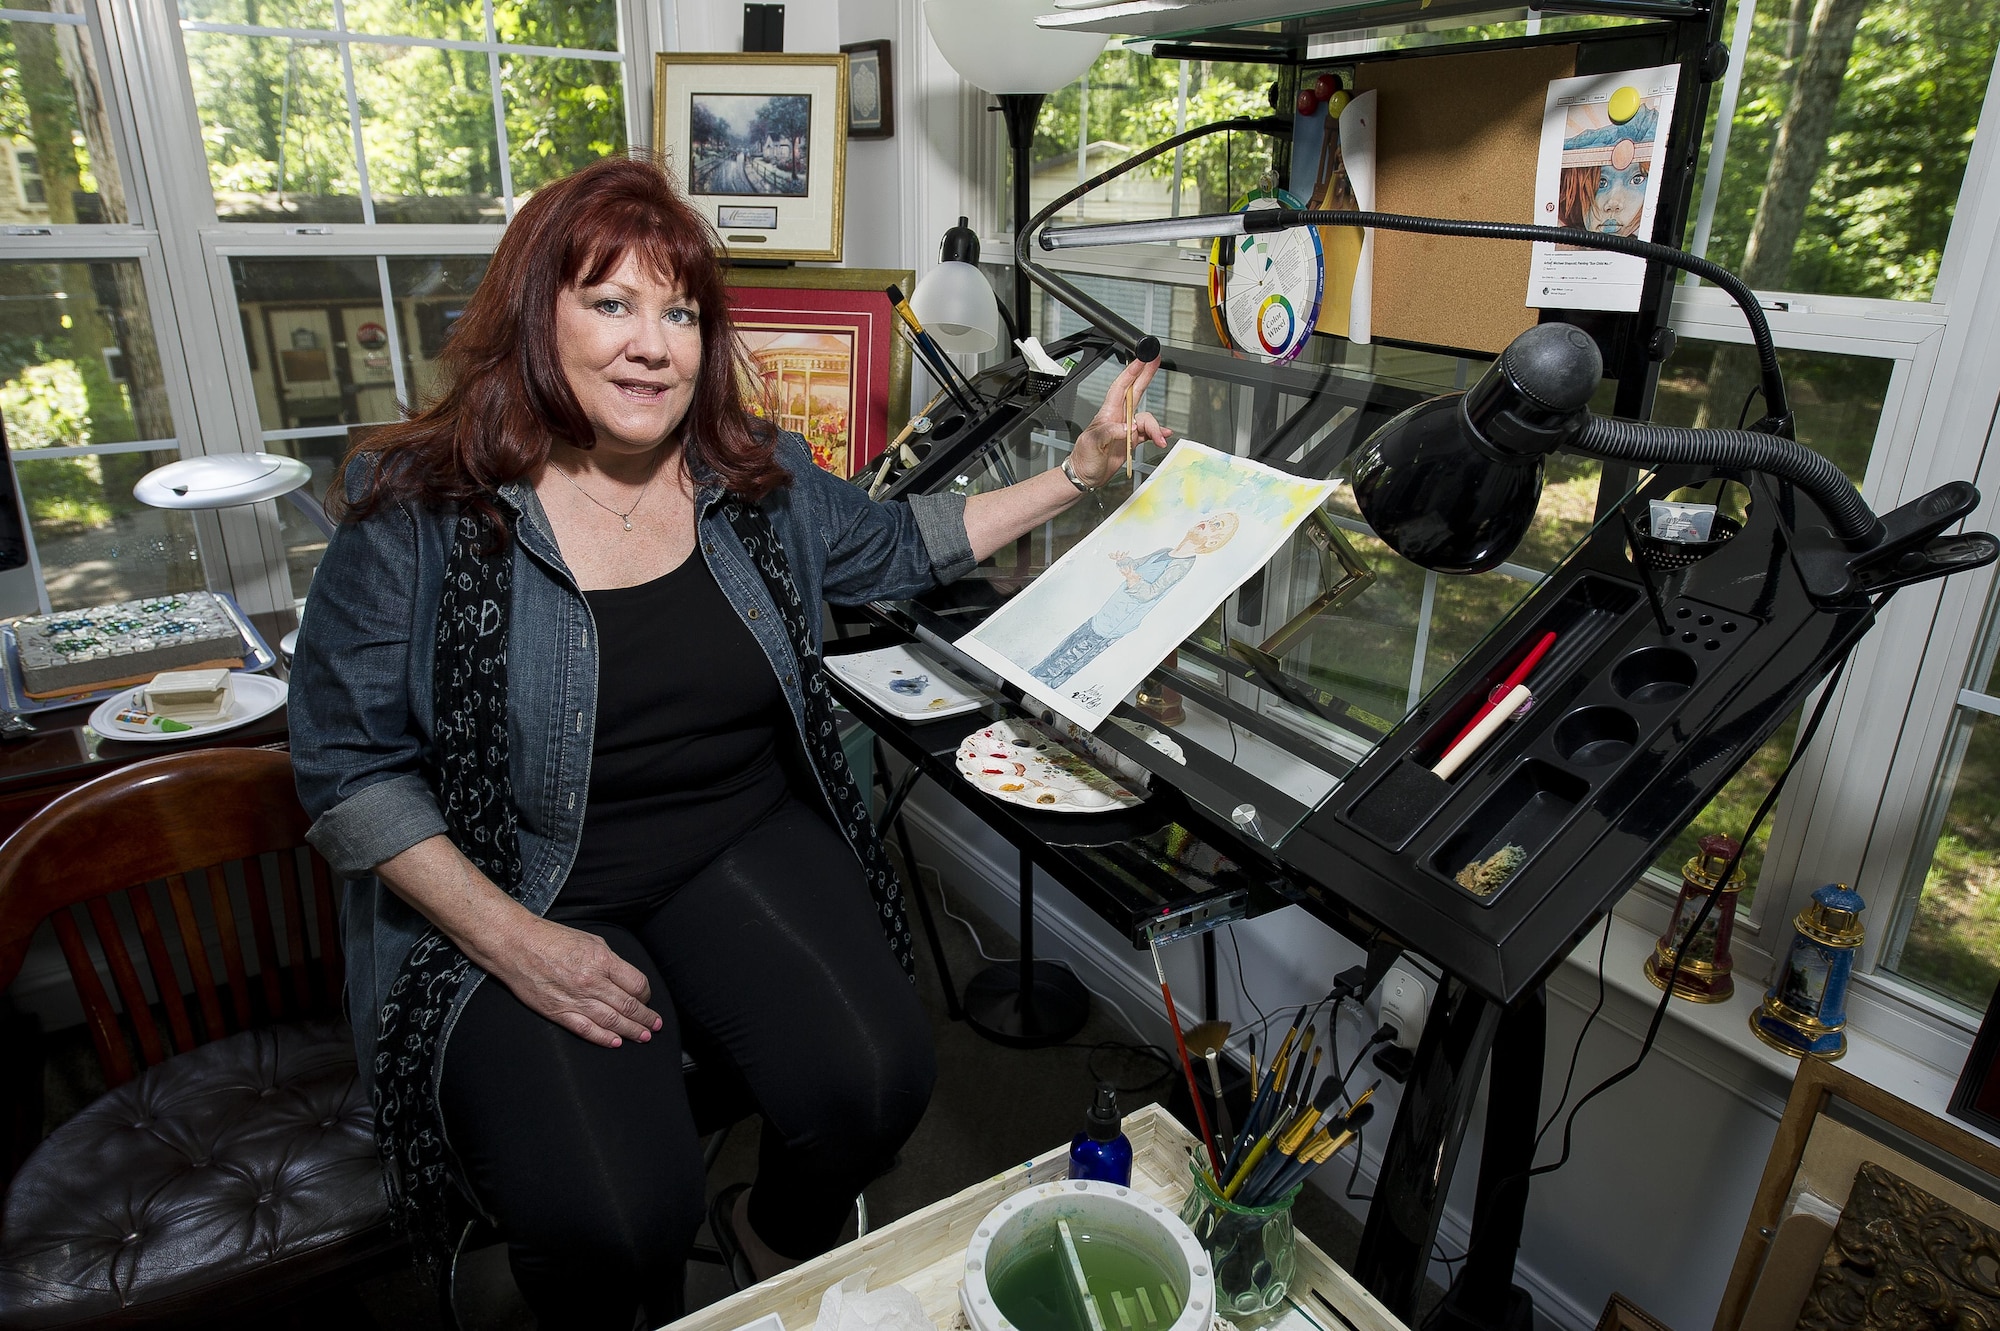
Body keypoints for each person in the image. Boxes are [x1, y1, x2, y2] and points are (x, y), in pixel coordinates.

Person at [287, 154, 1170, 1331]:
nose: (651, 342)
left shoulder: (748, 478)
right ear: (533, 315)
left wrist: (1076, 472)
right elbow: (348, 774)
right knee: (618, 1214)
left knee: (877, 1081)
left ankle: (773, 1235)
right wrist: (517, 944)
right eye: (610, 303)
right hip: (526, 876)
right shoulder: (416, 510)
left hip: (731, 834)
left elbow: (903, 542)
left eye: (680, 311)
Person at [1031, 511, 1240, 690]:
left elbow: (1150, 593)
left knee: (1070, 659)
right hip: (1106, 613)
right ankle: (1032, 678)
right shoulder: (1166, 552)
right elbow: (1135, 565)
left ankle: (1039, 687)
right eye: (1212, 518)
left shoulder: (1182, 565)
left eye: (1216, 525)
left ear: (1212, 542)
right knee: (1065, 648)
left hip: (1115, 623)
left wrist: (1133, 580)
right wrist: (1123, 561)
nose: (1207, 522)